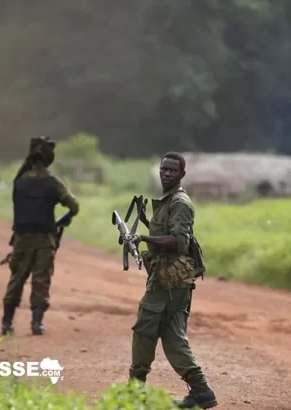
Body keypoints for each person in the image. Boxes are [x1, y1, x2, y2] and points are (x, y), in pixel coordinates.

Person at [128, 152, 217, 409]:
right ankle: (201, 391)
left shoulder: (180, 202)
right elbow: (166, 231)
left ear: (182, 175)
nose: (166, 173)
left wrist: (143, 239)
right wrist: (146, 221)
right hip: (173, 281)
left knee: (145, 327)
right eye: (163, 169)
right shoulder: (168, 201)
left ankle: (135, 389)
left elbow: (179, 241)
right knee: (173, 336)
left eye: (172, 171)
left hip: (169, 280)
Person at [1, 136, 79, 336]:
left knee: (16, 278)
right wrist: (60, 222)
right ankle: (36, 324)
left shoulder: (20, 181)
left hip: (21, 239)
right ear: (49, 158)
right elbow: (74, 206)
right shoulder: (53, 182)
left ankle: (7, 322)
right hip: (45, 239)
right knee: (41, 280)